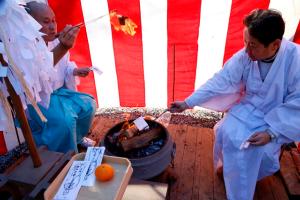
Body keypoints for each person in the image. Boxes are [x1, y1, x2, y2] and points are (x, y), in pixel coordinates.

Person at [170, 9, 300, 200]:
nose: (247, 51)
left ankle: (243, 184)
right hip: (247, 109)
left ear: (275, 45)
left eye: (253, 45)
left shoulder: (295, 60)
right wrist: (188, 102)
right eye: (245, 42)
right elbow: (221, 80)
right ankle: (233, 173)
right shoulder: (247, 55)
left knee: (253, 150)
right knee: (226, 132)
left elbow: (298, 103)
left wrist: (272, 133)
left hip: (276, 119)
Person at [26, 1, 96, 153]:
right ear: (30, 24)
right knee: (65, 121)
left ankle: (76, 138)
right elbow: (37, 76)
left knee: (88, 105)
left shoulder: (56, 41)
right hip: (39, 99)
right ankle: (63, 154)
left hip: (59, 93)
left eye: (54, 21)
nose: (53, 27)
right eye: (46, 22)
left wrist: (74, 71)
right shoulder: (25, 50)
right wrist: (63, 47)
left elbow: (65, 65)